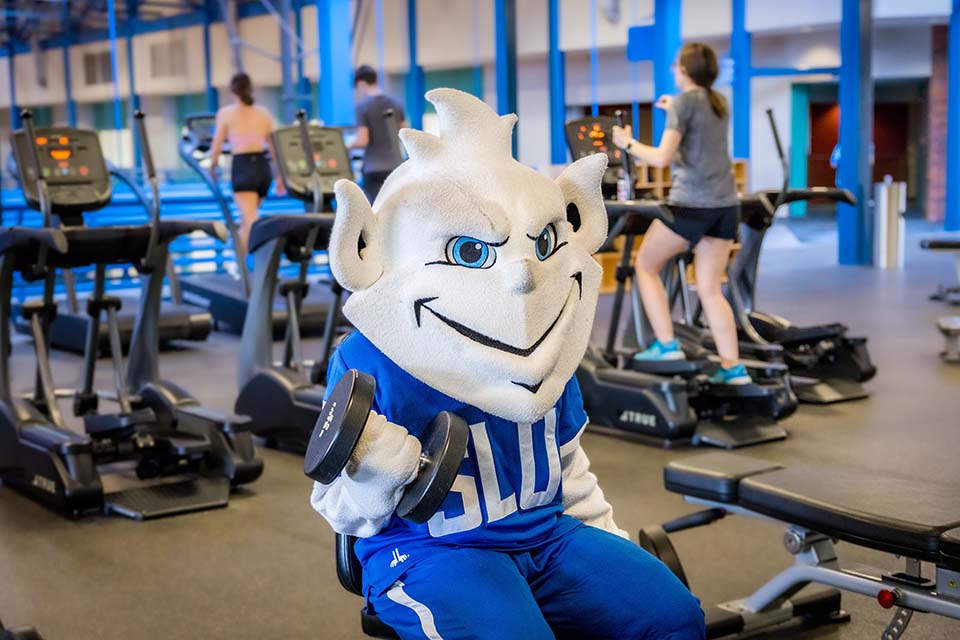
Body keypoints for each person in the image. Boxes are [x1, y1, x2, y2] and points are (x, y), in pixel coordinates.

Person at [311, 88, 705, 640]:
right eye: (472, 252)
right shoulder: (365, 360)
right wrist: (376, 480)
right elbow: (336, 506)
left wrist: (612, 551)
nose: (520, 276)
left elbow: (567, 466)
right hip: (427, 551)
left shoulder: (549, 343)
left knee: (673, 621)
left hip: (547, 537)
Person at [612, 42, 751, 385]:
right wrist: (675, 108)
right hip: (724, 207)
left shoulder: (685, 104)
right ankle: (733, 368)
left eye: (676, 66)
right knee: (709, 288)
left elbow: (661, 158)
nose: (673, 70)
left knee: (645, 265)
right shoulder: (718, 103)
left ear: (685, 71)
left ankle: (666, 344)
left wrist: (625, 142)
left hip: (691, 205)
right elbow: (696, 121)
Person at [209, 72, 285, 261]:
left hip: (243, 167)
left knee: (251, 218)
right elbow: (275, 148)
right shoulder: (263, 113)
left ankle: (267, 257)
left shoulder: (226, 113)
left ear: (232, 91)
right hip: (262, 168)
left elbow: (216, 146)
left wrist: (212, 167)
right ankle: (240, 266)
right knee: (247, 218)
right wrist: (280, 176)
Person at [351, 65, 406, 203]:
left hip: (373, 169)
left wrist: (346, 146)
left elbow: (363, 140)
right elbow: (405, 134)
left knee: (377, 211)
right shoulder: (396, 104)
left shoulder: (362, 107)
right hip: (396, 167)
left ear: (361, 83)